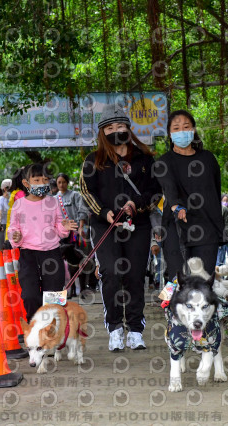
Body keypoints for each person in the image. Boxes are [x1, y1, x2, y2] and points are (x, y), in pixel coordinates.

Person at [81, 104, 162, 351]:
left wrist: (137, 204)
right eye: (109, 128)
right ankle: (115, 328)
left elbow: (156, 191)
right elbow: (86, 192)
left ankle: (135, 330)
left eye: (120, 126)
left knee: (135, 276)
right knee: (111, 273)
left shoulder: (145, 158)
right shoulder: (93, 160)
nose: (115, 131)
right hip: (105, 226)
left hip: (138, 225)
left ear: (128, 128)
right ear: (102, 133)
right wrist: (104, 212)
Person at [155, 109, 223, 280]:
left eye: (186, 127)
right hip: (176, 228)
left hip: (207, 230)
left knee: (203, 281)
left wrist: (218, 228)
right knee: (179, 282)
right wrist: (177, 206)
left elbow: (216, 192)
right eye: (176, 128)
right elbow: (169, 187)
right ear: (170, 134)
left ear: (193, 130)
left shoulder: (208, 159)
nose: (182, 131)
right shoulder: (164, 161)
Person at [8, 163, 77, 323]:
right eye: (37, 180)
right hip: (28, 256)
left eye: (45, 180)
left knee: (53, 296)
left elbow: (60, 227)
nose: (42, 183)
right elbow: (13, 228)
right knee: (30, 295)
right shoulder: (19, 205)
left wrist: (64, 227)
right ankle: (34, 327)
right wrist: (15, 237)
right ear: (26, 183)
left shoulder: (53, 202)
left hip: (52, 254)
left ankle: (53, 328)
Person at [55, 172, 95, 296]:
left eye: (63, 182)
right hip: (62, 234)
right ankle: (69, 288)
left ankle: (84, 287)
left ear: (67, 183)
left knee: (81, 258)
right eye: (59, 182)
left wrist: (81, 228)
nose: (61, 184)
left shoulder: (75, 195)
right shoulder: (54, 199)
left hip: (77, 232)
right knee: (65, 261)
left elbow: (82, 211)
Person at [0, 179, 12, 251]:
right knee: (2, 248)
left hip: (11, 225)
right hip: (3, 226)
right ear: (5, 189)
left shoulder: (12, 199)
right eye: (11, 188)